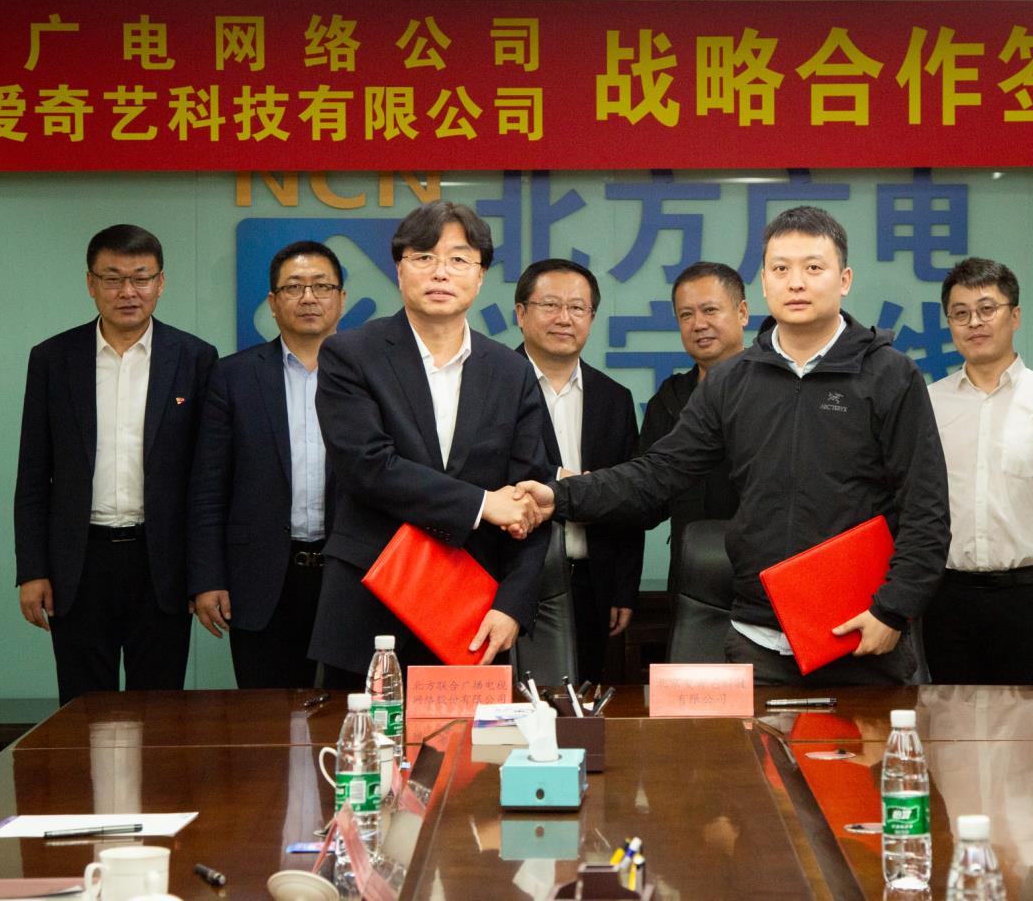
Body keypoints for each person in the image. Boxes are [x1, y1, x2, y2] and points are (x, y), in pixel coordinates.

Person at [519, 206, 949, 686]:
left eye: (813, 267)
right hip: (757, 639)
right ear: (764, 282)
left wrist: (893, 610)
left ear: (844, 279)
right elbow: (658, 473)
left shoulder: (890, 375)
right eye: (781, 269)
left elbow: (926, 510)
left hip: (862, 634)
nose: (796, 283)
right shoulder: (732, 380)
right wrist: (560, 495)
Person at [307, 201, 552, 689]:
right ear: (399, 270)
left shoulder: (512, 371)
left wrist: (513, 604)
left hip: (473, 615)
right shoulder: (350, 355)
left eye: (459, 259)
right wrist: (482, 504)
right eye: (424, 257)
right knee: (359, 738)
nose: (441, 272)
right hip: (369, 608)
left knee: (471, 741)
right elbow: (368, 467)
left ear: (480, 277)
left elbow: (530, 498)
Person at [14, 224, 218, 704]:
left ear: (161, 283)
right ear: (91, 284)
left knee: (160, 708)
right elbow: (33, 474)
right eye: (112, 278)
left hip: (161, 562)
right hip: (80, 562)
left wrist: (205, 575)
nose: (128, 291)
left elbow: (205, 481)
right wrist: (32, 569)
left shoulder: (195, 358)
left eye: (141, 278)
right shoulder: (53, 359)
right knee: (84, 708)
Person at [924, 256, 1033, 684]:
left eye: (987, 309)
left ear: (1014, 316)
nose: (974, 323)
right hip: (945, 597)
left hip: (1027, 596)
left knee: (1025, 719)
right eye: (960, 313)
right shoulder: (929, 404)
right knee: (948, 717)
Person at [186, 241, 346, 689]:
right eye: (294, 287)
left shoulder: (371, 375)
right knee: (266, 715)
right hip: (260, 576)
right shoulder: (232, 376)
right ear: (273, 303)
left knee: (350, 710)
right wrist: (207, 578)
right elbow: (208, 487)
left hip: (349, 575)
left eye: (321, 286)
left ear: (341, 299)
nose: (308, 297)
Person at [513, 257, 643, 683]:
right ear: (521, 313)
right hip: (513, 578)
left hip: (592, 580)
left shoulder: (614, 398)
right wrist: (565, 484)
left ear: (591, 318)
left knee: (583, 702)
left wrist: (623, 586)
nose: (564, 318)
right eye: (550, 305)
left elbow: (630, 498)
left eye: (577, 308)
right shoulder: (490, 384)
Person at [634, 261, 748, 598]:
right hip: (690, 581)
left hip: (763, 575)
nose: (698, 324)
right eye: (686, 315)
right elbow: (647, 500)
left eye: (710, 310)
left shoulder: (776, 389)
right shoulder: (670, 399)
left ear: (742, 312)